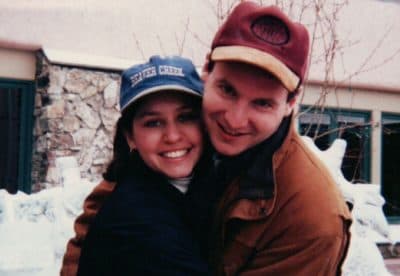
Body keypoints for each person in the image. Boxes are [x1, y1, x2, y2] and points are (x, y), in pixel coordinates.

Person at [62, 2, 352, 275]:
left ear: (291, 104)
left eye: (262, 103)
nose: (235, 120)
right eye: (227, 90)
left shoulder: (311, 215)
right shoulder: (195, 137)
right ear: (207, 74)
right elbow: (99, 215)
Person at [68, 55, 212, 275]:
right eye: (153, 123)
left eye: (186, 117)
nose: (172, 136)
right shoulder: (137, 223)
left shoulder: (205, 183)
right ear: (130, 137)